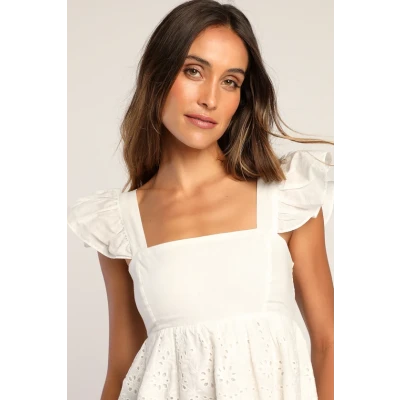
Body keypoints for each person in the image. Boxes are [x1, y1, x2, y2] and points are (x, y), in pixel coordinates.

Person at [66, 0, 334, 399]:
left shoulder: (287, 196)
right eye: (194, 71)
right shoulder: (119, 225)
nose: (210, 98)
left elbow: (329, 343)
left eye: (230, 82)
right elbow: (122, 370)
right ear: (157, 75)